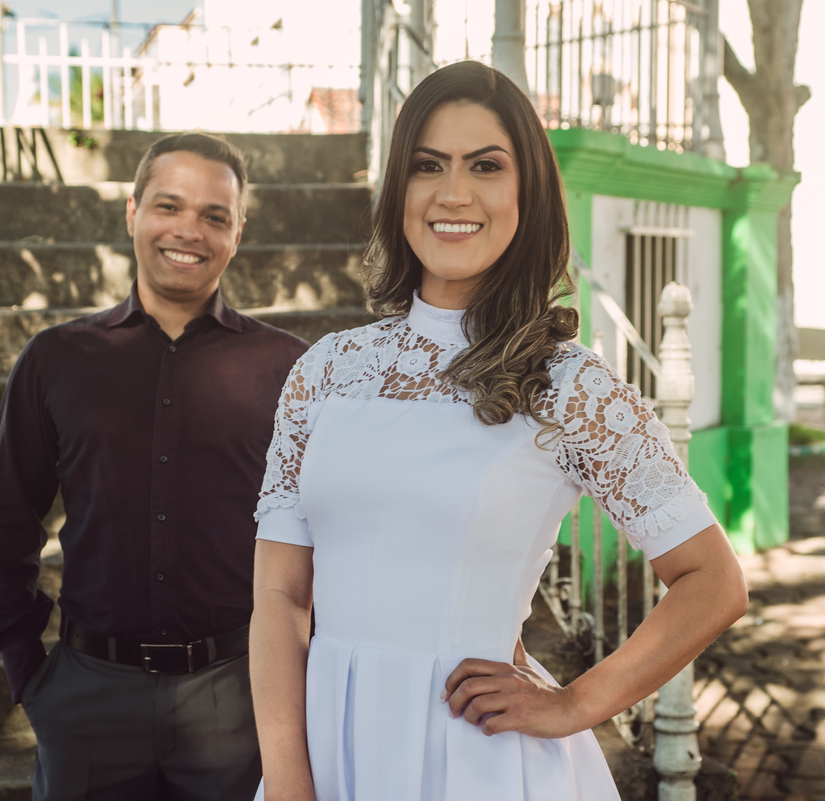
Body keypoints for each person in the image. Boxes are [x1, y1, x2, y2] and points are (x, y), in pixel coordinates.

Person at [248, 61, 749, 800]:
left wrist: (576, 703)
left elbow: (714, 582)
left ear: (527, 194)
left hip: (477, 760)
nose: (454, 193)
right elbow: (282, 598)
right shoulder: (325, 371)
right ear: (400, 192)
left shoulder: (569, 386)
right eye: (428, 166)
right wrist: (289, 781)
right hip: (328, 749)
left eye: (486, 165)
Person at [0, 132, 308, 800]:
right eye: (169, 206)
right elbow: (9, 519)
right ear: (133, 214)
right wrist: (28, 670)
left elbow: (325, 535)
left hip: (236, 693)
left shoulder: (290, 368)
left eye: (215, 216)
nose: (190, 229)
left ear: (237, 233)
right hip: (88, 691)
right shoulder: (56, 359)